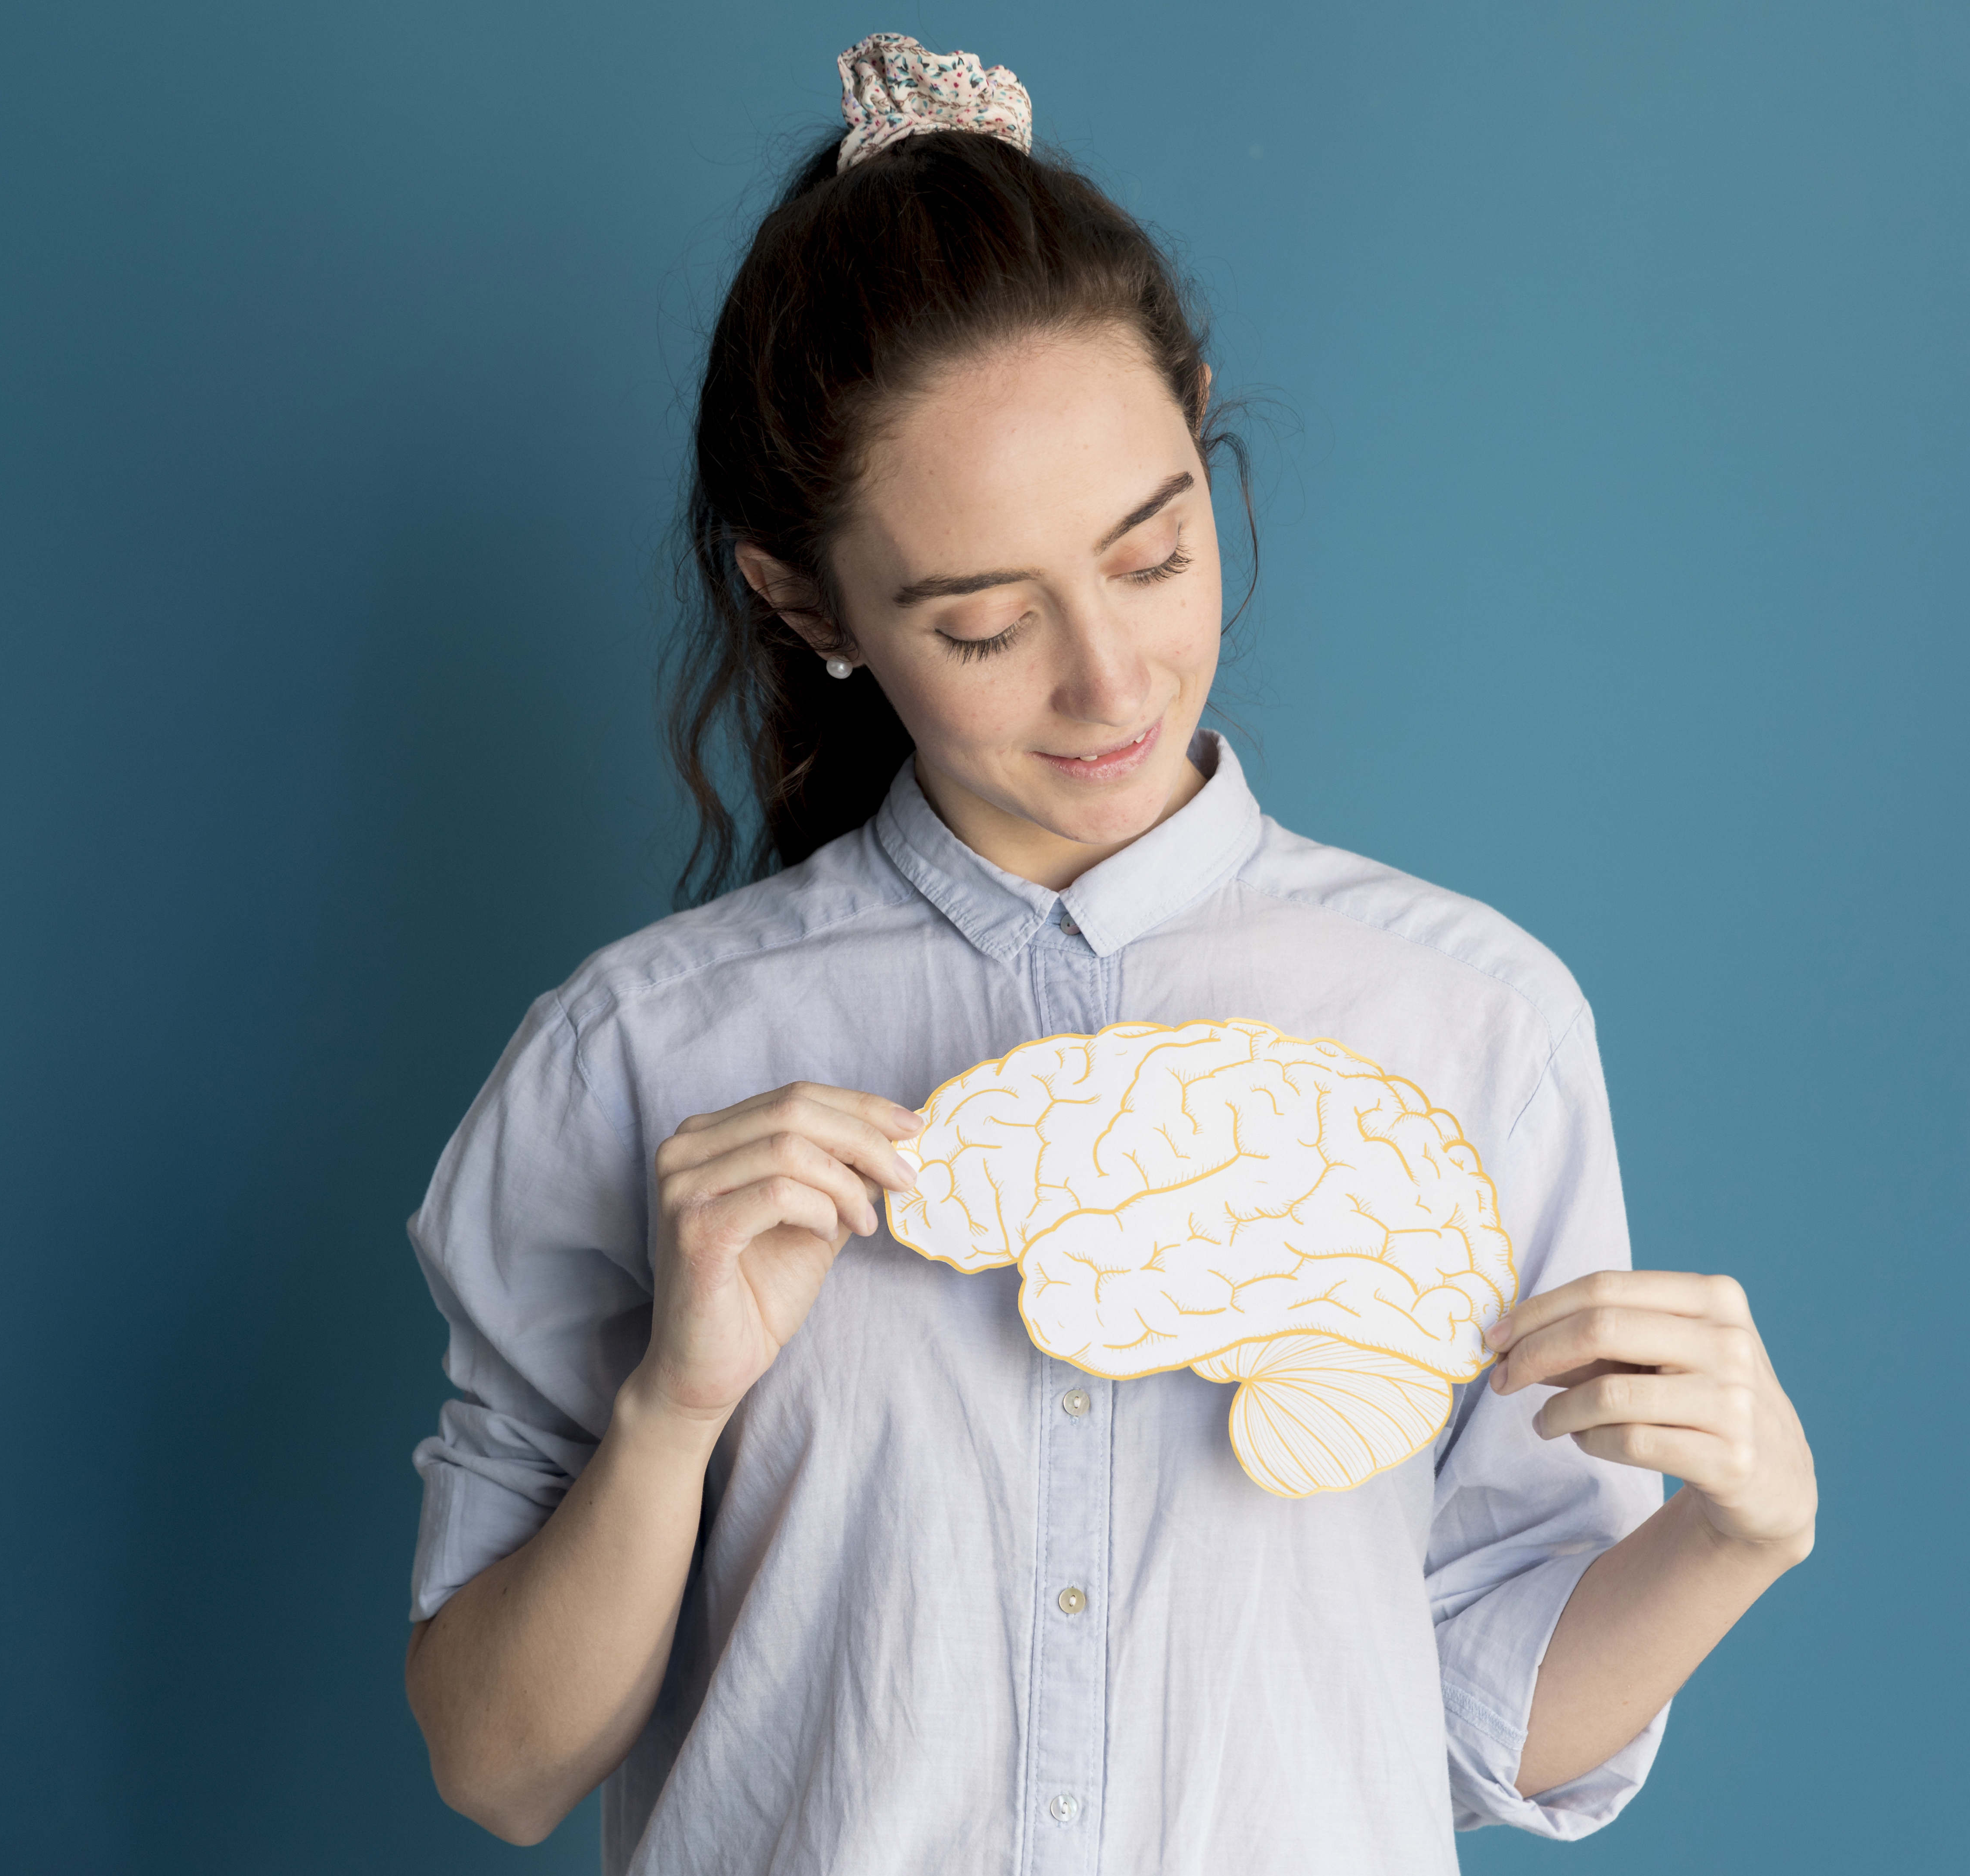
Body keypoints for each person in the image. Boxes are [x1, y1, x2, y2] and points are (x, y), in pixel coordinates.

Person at [400, 33, 1818, 1874]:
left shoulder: (1472, 1022)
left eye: (1151, 555)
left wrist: (1731, 1539)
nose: (1108, 682)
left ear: (1200, 426)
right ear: (802, 600)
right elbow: (494, 1767)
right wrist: (674, 1409)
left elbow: (1457, 1715)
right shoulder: (640, 1059)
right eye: (982, 623)